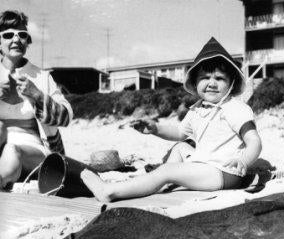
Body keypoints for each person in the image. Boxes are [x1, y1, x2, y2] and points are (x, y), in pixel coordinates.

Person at [81, 36, 262, 202]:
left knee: (168, 170)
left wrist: (244, 161)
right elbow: (180, 133)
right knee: (181, 147)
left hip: (224, 173)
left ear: (231, 84)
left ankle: (109, 192)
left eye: (220, 78)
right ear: (195, 82)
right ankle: (163, 180)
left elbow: (254, 141)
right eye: (205, 78)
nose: (212, 83)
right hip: (205, 166)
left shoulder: (234, 108)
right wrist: (156, 129)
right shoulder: (198, 109)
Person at [0, 10, 73, 189]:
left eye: (22, 35)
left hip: (31, 149)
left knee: (12, 150)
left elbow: (66, 117)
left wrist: (37, 95)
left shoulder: (41, 76)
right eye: (9, 35)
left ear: (28, 41)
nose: (16, 40)